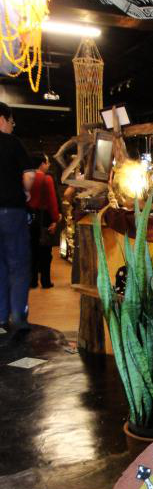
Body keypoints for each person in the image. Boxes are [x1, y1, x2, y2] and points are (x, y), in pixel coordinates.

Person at [0, 102, 35, 331]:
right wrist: (25, 190)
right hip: (11, 211)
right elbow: (30, 175)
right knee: (18, 265)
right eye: (11, 122)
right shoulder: (13, 143)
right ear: (2, 119)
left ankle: (1, 318)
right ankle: (18, 316)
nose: (12, 126)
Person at [27, 153, 60, 288]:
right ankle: (45, 281)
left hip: (29, 217)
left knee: (32, 250)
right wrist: (55, 219)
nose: (48, 165)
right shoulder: (46, 179)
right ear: (42, 164)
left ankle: (32, 281)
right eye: (47, 162)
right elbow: (52, 201)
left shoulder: (25, 177)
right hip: (43, 218)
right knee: (45, 252)